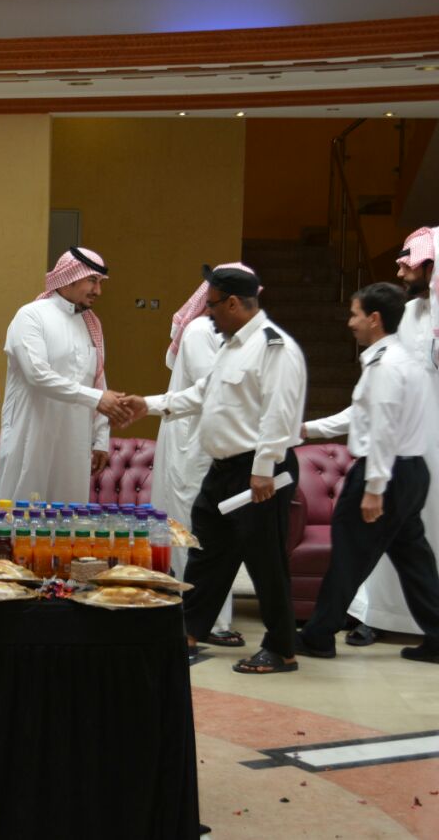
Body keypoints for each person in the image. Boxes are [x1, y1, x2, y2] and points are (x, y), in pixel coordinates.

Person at [121, 264, 306, 674]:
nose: (209, 313)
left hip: (259, 471)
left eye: (214, 305)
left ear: (234, 303)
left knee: (265, 560)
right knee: (206, 552)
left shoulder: (274, 347)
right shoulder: (233, 346)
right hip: (224, 470)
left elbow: (279, 411)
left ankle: (282, 649)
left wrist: (263, 469)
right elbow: (201, 394)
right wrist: (148, 404)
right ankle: (188, 633)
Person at [294, 282, 439, 664]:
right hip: (411, 473)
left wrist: (374, 488)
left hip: (385, 474)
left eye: (355, 314)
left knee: (348, 555)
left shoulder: (385, 366)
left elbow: (383, 431)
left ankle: (318, 636)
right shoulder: (405, 360)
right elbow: (362, 415)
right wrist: (308, 429)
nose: (350, 322)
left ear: (374, 319)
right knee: (415, 561)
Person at [150, 266, 256, 649]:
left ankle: (205, 618)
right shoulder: (199, 331)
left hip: (212, 444)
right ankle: (199, 619)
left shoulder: (237, 336)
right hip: (191, 445)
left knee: (210, 537)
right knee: (190, 533)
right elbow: (213, 388)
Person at [343, 226, 439, 646]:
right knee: (392, 534)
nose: (400, 272)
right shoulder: (410, 314)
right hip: (405, 445)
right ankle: (376, 614)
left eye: (408, 264)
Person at [0, 247, 126, 504]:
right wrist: (96, 398)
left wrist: (100, 440)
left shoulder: (90, 324)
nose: (98, 291)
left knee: (68, 521)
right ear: (69, 278)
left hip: (74, 447)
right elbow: (38, 375)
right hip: (30, 441)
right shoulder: (31, 316)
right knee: (22, 519)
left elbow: (98, 380)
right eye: (92, 281)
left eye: (100, 283)